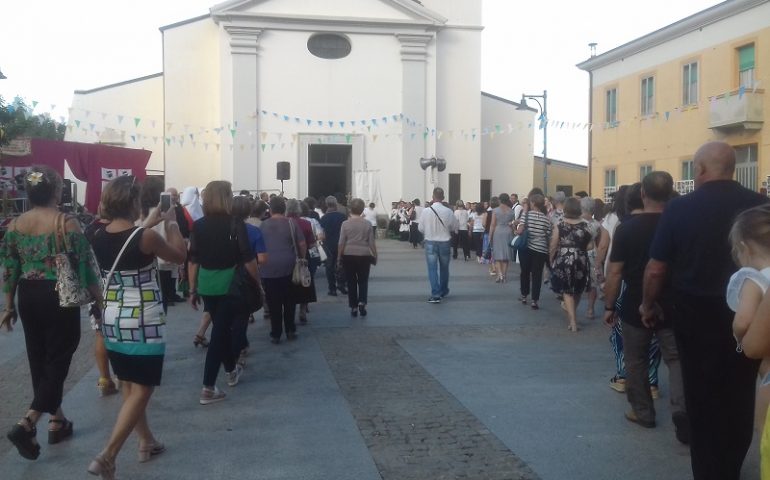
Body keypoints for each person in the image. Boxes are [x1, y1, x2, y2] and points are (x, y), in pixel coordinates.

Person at [641, 141, 767, 480]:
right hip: (750, 313)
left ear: (698, 170)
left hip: (694, 316)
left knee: (700, 393)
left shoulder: (680, 208)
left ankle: (708, 470)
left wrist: (647, 304)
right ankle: (730, 466)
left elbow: (656, 268)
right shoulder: (760, 205)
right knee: (740, 392)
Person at [87, 175, 186, 478]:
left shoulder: (96, 234)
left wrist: (152, 219)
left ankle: (146, 441)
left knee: (129, 383)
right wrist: (170, 222)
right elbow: (179, 255)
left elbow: (129, 238)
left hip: (112, 317)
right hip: (143, 318)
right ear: (133, 203)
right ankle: (108, 454)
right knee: (142, 388)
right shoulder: (146, 237)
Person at [1, 166, 102, 461]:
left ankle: (57, 419)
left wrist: (8, 305)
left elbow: (9, 268)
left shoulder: (15, 225)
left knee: (38, 356)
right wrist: (99, 299)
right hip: (59, 295)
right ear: (57, 192)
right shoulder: (66, 222)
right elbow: (86, 265)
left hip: (27, 295)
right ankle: (28, 421)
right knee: (59, 355)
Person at [602, 171, 687, 441]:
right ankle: (682, 409)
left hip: (635, 300)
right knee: (676, 358)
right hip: (673, 299)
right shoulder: (679, 224)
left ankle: (642, 411)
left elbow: (614, 272)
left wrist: (609, 305)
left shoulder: (626, 228)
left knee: (635, 358)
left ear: (642, 194)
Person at [188, 181, 259, 405]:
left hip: (207, 284)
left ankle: (230, 371)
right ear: (227, 198)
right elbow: (248, 259)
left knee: (221, 329)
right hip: (230, 284)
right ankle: (208, 387)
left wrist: (192, 289)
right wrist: (258, 284)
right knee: (220, 334)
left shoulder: (198, 225)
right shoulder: (235, 223)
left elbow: (193, 260)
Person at [727, 204, 770, 479]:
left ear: (745, 247)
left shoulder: (754, 279)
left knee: (764, 438)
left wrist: (738, 337)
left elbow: (744, 323)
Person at [259, 196, 306, 343]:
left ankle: (276, 333)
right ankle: (290, 329)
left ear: (270, 209)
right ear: (284, 208)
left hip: (268, 267)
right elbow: (302, 243)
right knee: (290, 300)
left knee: (273, 302)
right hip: (289, 266)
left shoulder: (262, 225)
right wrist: (302, 258)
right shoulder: (291, 223)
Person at [231, 196, 267, 365]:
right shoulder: (253, 231)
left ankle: (239, 345)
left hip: (221, 278)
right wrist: (258, 281)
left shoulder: (221, 230)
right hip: (245, 278)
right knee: (241, 316)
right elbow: (262, 258)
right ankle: (238, 349)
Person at [550, 197, 592, 332]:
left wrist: (551, 259)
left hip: (565, 258)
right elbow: (590, 245)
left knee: (567, 291)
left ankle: (573, 321)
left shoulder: (560, 225)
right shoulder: (586, 225)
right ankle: (573, 316)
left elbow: (553, 244)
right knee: (578, 289)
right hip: (581, 259)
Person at [418, 187, 459, 303]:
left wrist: (429, 230)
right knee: (444, 268)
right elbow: (454, 227)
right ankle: (443, 290)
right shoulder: (448, 211)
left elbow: (420, 228)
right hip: (445, 242)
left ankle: (435, 294)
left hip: (430, 241)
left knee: (432, 268)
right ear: (443, 198)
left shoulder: (426, 211)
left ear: (433, 197)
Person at [338, 198, 377, 317]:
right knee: (363, 281)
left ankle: (353, 307)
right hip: (364, 255)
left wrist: (339, 257)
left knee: (351, 281)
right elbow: (371, 242)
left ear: (350, 209)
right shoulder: (368, 224)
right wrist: (375, 255)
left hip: (348, 255)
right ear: (362, 210)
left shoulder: (345, 224)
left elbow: (341, 242)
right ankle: (362, 302)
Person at [517, 194, 552, 309]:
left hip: (526, 248)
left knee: (525, 272)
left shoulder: (526, 215)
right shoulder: (546, 219)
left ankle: (524, 295)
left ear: (532, 203)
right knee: (537, 275)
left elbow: (520, 230)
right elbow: (548, 235)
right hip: (541, 249)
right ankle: (534, 300)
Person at [287, 199, 317, 325]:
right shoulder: (305, 223)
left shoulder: (284, 222)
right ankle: (303, 311)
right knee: (305, 283)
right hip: (303, 257)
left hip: (288, 258)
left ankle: (290, 311)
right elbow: (311, 244)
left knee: (290, 285)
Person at [320, 196, 347, 296]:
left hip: (328, 245)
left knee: (329, 266)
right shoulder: (343, 216)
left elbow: (322, 234)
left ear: (327, 205)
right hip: (341, 244)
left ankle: (332, 288)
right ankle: (341, 284)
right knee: (342, 264)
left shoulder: (323, 218)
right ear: (336, 204)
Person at [489, 193, 515, 282]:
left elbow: (493, 224)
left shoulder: (495, 210)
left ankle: (499, 275)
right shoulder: (511, 211)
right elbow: (512, 224)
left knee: (497, 253)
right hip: (508, 231)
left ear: (499, 200)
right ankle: (504, 275)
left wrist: (490, 235)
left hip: (498, 231)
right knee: (506, 254)